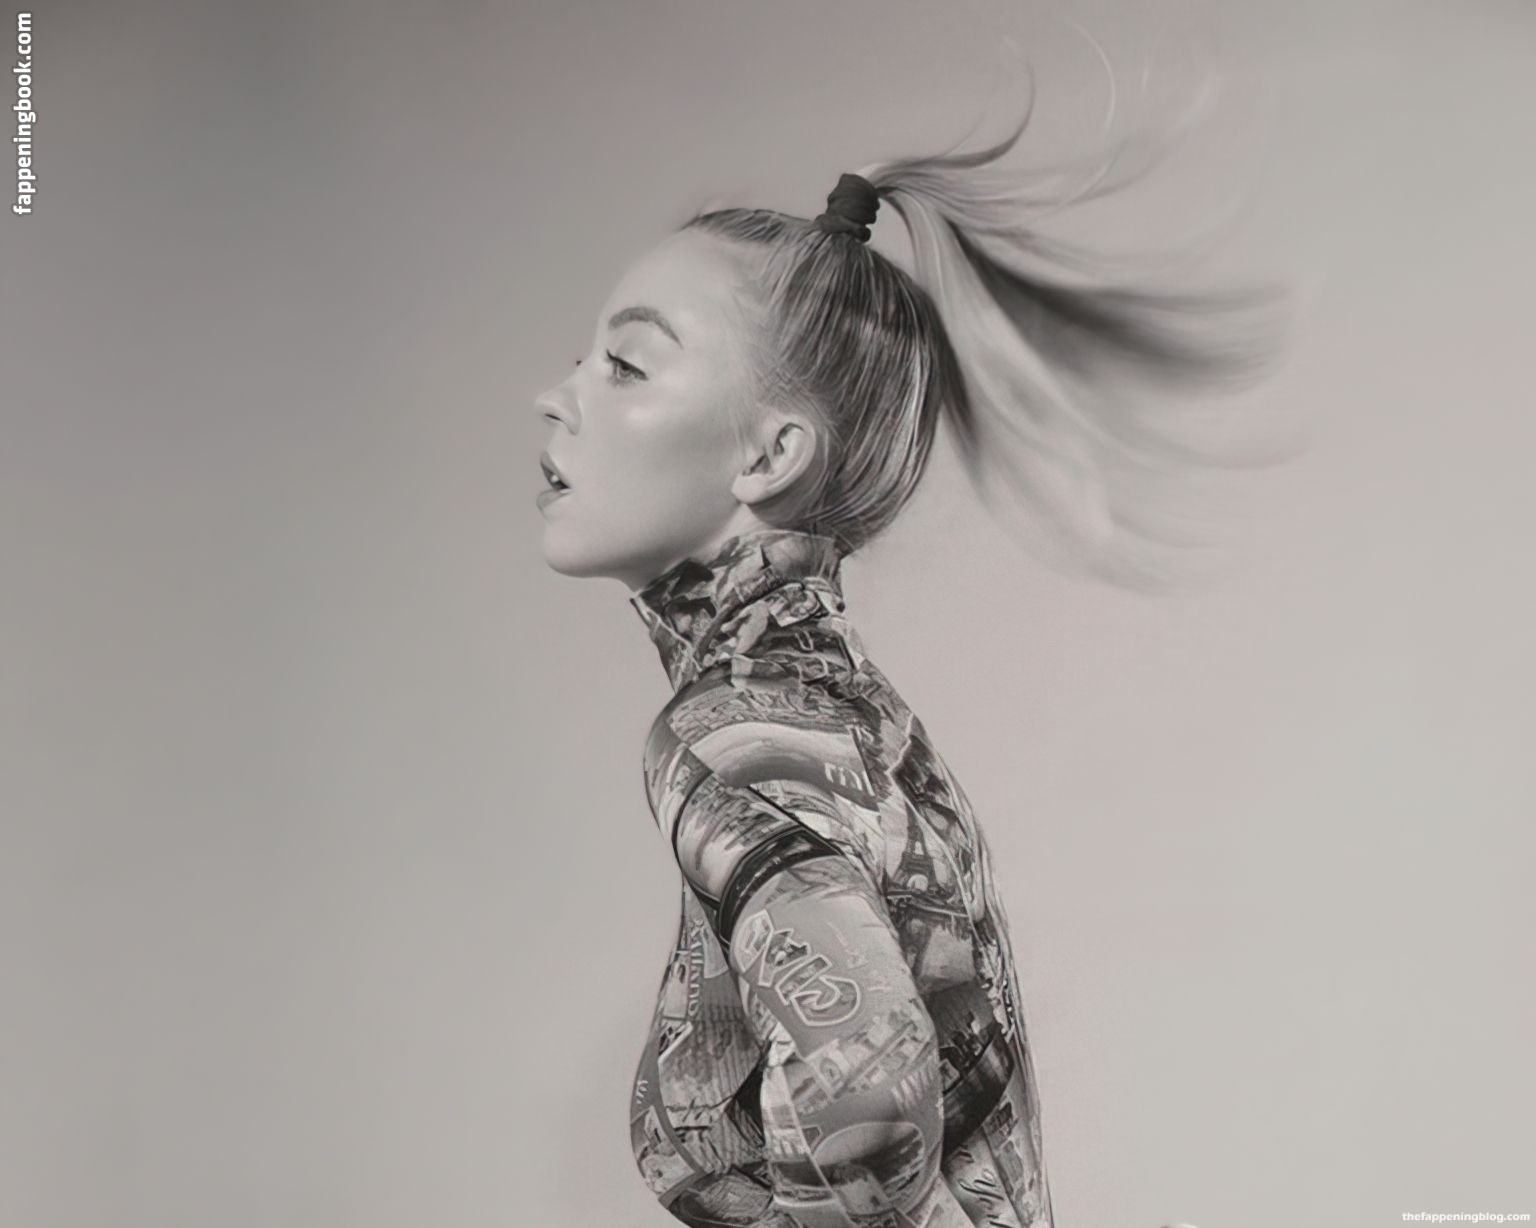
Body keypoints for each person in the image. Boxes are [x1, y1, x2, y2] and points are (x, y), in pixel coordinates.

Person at [532, 105, 1284, 1228]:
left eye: (627, 364)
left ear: (769, 454)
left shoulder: (742, 731)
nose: (555, 396)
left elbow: (871, 1119)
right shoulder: (840, 713)